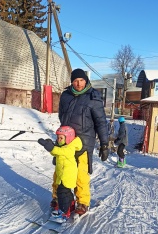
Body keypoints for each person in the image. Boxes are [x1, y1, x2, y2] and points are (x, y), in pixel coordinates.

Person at [54, 68, 109, 216]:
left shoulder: (93, 97)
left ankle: (83, 202)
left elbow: (101, 122)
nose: (78, 84)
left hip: (84, 141)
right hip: (65, 139)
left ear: (86, 81)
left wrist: (104, 144)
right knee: (60, 170)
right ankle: (59, 198)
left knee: (81, 174)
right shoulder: (66, 95)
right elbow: (61, 116)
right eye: (75, 81)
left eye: (81, 80)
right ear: (72, 82)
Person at [38, 126, 82, 221]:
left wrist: (52, 148)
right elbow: (55, 152)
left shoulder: (70, 148)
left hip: (67, 175)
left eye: (61, 138)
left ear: (68, 138)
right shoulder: (61, 147)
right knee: (65, 192)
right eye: (58, 137)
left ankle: (64, 211)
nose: (59, 140)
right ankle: (71, 206)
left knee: (62, 193)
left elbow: (61, 151)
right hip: (62, 175)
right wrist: (49, 145)